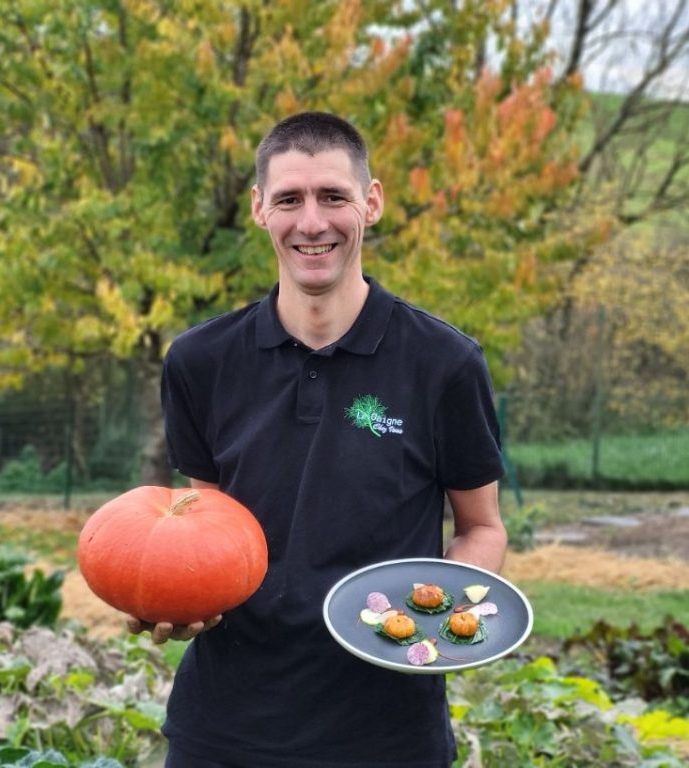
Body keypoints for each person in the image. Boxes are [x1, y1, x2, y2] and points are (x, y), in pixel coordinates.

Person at [129, 111, 507, 768]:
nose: (312, 222)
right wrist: (181, 598)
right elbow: (211, 532)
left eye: (333, 196)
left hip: (389, 733)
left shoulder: (445, 363)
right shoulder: (199, 362)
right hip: (224, 730)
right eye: (289, 199)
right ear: (258, 209)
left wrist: (443, 620)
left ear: (372, 202)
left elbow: (482, 527)